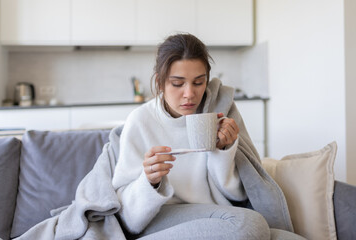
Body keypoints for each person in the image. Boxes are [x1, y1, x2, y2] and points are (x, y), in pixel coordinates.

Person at [112, 33, 304, 240]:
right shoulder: (140, 121)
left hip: (217, 215)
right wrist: (149, 181)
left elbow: (239, 195)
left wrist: (223, 151)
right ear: (160, 83)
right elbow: (128, 218)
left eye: (198, 82)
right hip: (161, 218)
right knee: (250, 224)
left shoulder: (221, 111)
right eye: (178, 83)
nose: (189, 94)